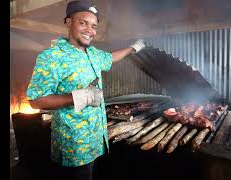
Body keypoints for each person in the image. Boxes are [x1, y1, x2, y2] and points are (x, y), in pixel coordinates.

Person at [25, 0, 145, 179]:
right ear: (68, 22)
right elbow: (36, 101)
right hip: (74, 145)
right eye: (83, 23)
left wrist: (133, 48)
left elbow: (111, 57)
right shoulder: (52, 57)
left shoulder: (94, 54)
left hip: (96, 138)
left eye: (94, 26)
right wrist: (78, 97)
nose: (90, 30)